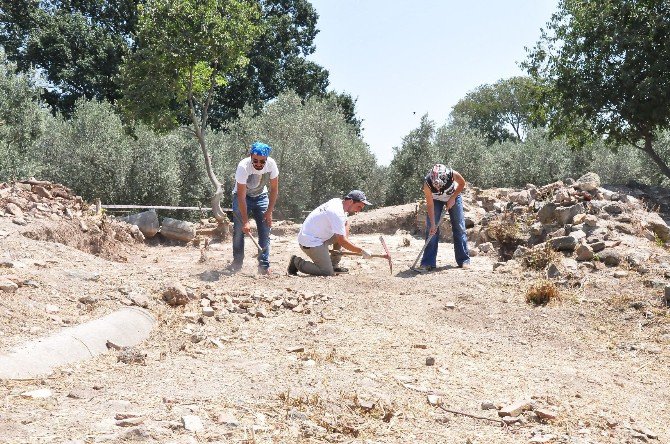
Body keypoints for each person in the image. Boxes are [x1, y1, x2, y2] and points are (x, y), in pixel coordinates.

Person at [287, 190, 373, 276]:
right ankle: (296, 262)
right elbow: (342, 241)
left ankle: (333, 265)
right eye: (358, 207)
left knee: (341, 236)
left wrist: (345, 239)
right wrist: (361, 251)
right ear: (350, 201)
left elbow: (346, 223)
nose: (359, 211)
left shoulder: (338, 202)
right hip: (310, 242)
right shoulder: (336, 213)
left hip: (317, 236)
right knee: (326, 272)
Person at [229, 141, 279, 275]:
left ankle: (264, 265)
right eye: (255, 160)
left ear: (266, 159)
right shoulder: (243, 167)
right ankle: (237, 263)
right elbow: (241, 195)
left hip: (261, 196)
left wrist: (269, 212)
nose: (258, 164)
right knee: (239, 231)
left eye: (262, 162)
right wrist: (245, 221)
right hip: (242, 197)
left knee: (265, 230)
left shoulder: (271, 164)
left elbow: (274, 189)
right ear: (251, 156)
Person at [415, 164, 470, 271]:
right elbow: (430, 205)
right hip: (435, 200)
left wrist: (453, 198)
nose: (438, 188)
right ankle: (428, 262)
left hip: (453, 196)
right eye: (436, 186)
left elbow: (462, 183)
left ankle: (463, 260)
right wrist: (433, 224)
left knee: (459, 227)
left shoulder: (452, 174)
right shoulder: (427, 184)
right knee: (431, 229)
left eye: (440, 185)